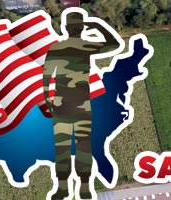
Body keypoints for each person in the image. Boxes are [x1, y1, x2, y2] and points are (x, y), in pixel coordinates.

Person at [43, 11, 122, 199]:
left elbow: (47, 78)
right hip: (82, 106)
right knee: (83, 148)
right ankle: (84, 188)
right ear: (81, 28)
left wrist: (49, 102)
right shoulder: (86, 46)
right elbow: (115, 44)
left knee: (61, 148)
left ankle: (63, 188)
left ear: (66, 28)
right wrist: (98, 26)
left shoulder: (56, 48)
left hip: (61, 105)